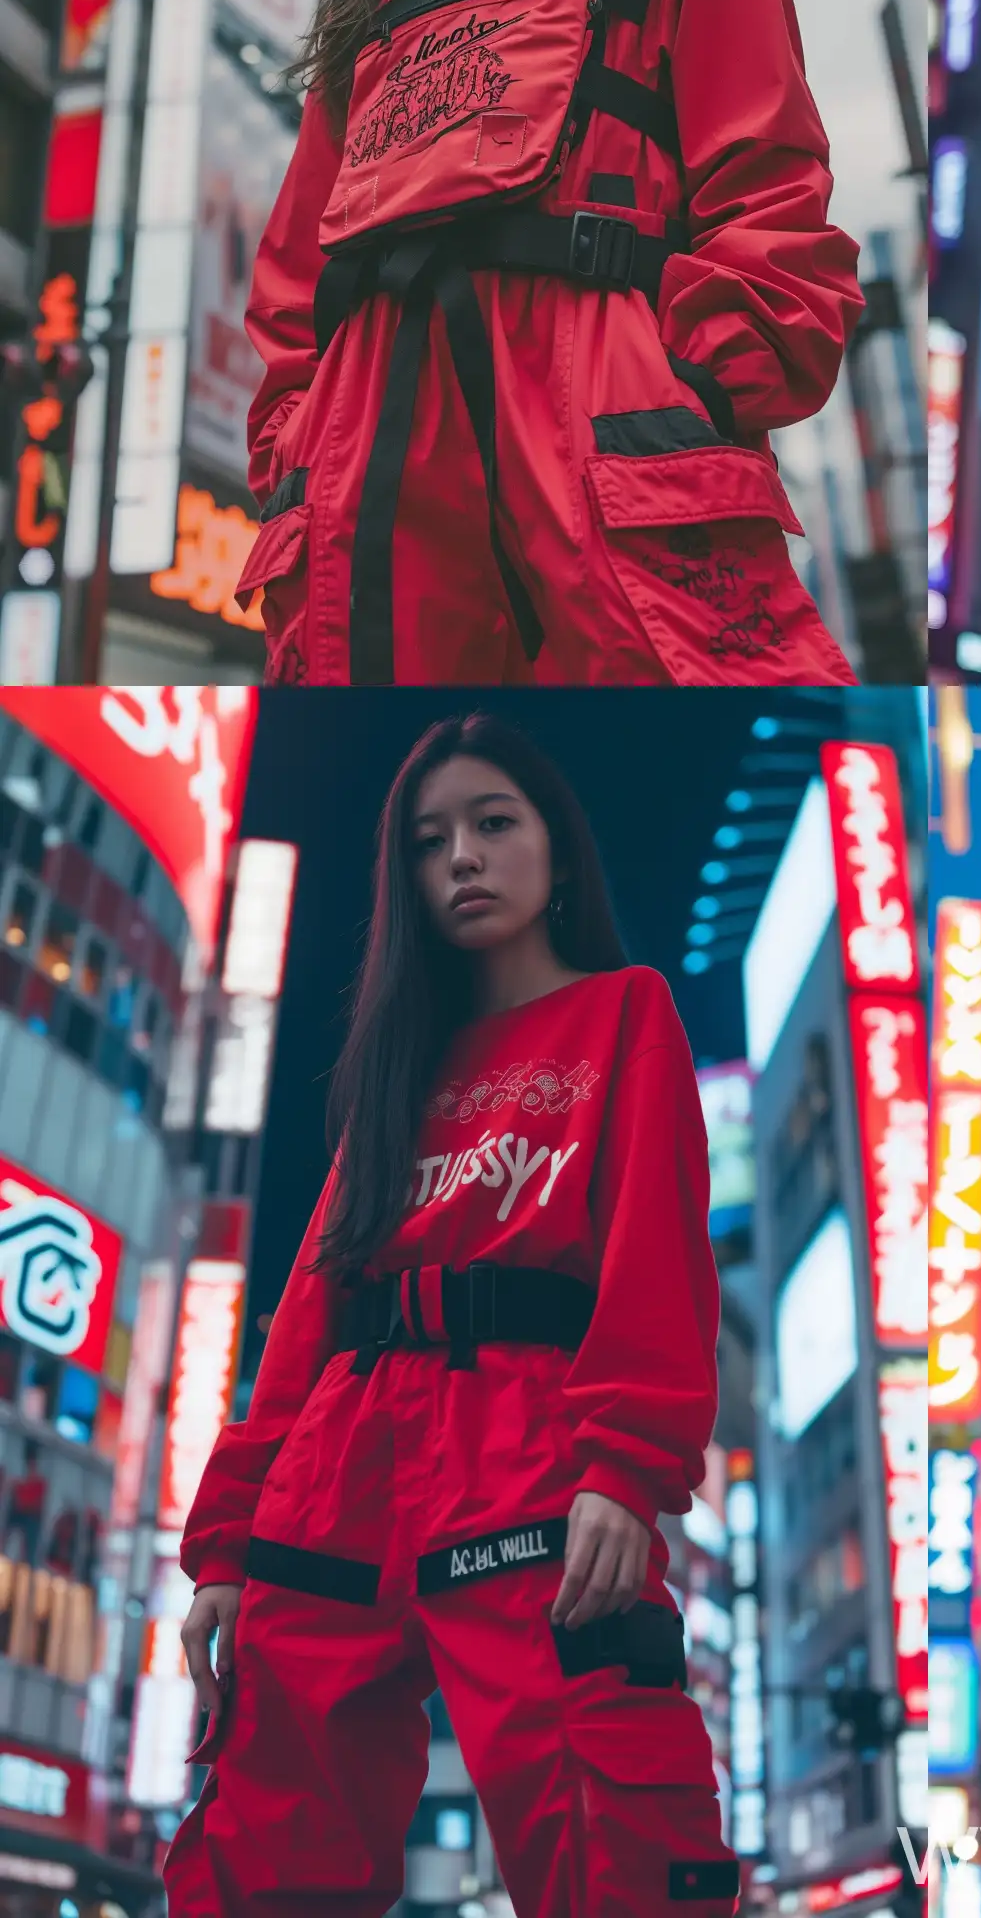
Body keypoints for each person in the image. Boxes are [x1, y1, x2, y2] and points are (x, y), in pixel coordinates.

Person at [235, 0, 863, 688]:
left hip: (602, 417)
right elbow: (298, 267)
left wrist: (697, 386)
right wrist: (295, 450)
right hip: (375, 460)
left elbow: (766, 177)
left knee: (694, 747)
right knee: (389, 764)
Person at [168, 713, 739, 1917]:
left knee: (611, 1831)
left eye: (493, 823)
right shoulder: (396, 1069)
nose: (462, 859)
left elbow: (655, 1250)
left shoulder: (624, 1013)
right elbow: (306, 1321)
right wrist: (226, 1539)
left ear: (558, 853)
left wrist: (626, 1469)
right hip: (337, 1461)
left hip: (528, 1448)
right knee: (264, 1838)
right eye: (431, 841)